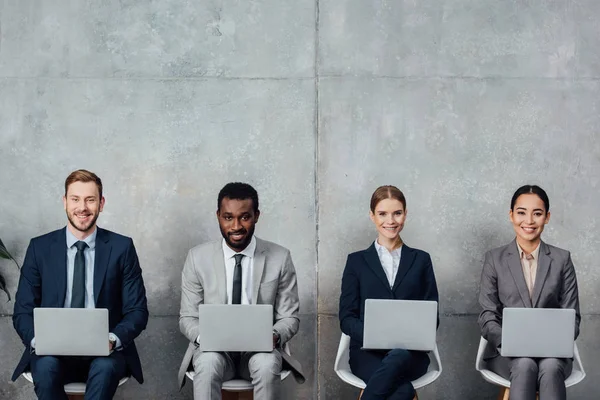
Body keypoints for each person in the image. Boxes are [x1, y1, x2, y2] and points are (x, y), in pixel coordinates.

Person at [12, 169, 149, 400]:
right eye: (75, 199)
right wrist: (40, 341)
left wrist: (112, 340)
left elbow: (137, 311)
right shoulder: (40, 248)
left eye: (90, 199)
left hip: (104, 352)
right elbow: (22, 311)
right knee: (44, 369)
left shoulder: (122, 248)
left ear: (101, 203)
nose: (82, 207)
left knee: (105, 369)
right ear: (65, 202)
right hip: (51, 352)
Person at [178, 182, 304, 400]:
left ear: (256, 216)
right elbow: (188, 317)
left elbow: (289, 317)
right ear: (218, 216)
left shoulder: (280, 258)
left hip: (259, 350)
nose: (236, 226)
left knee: (266, 365)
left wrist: (274, 336)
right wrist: (203, 337)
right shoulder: (197, 258)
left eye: (244, 217)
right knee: (207, 364)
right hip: (214, 350)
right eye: (228, 217)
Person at [478, 184, 580, 400]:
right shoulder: (494, 259)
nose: (529, 221)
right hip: (507, 353)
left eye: (537, 214)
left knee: (551, 368)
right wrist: (510, 343)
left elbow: (572, 316)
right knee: (524, 364)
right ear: (511, 215)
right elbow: (488, 316)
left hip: (553, 354)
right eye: (521, 212)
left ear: (547, 217)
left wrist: (553, 345)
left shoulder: (562, 260)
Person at [339, 185, 439, 400]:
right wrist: (375, 334)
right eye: (382, 214)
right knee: (402, 391)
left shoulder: (421, 260)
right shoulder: (356, 261)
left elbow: (432, 315)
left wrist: (406, 337)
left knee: (400, 355)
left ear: (405, 214)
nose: (390, 221)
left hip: (411, 355)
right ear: (372, 216)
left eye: (397, 213)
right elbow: (346, 318)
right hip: (367, 353)